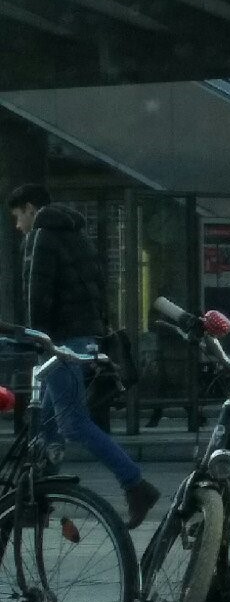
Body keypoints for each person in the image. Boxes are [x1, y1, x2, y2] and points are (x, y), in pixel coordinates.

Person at [7, 184, 160, 528]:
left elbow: (37, 295)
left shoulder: (41, 236)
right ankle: (36, 499)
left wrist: (37, 340)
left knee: (71, 422)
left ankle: (134, 483)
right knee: (46, 426)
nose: (18, 226)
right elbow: (99, 289)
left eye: (18, 217)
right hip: (84, 339)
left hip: (59, 343)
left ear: (30, 208)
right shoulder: (77, 234)